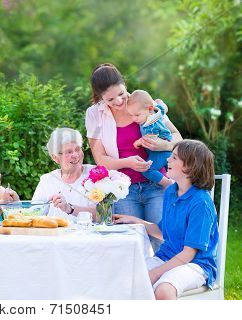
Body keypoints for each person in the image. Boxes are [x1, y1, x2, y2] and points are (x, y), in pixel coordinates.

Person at [114, 140, 219, 300]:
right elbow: (163, 232)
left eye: (175, 158)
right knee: (126, 279)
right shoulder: (171, 192)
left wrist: (156, 272)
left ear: (190, 167)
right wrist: (134, 220)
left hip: (195, 264)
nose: (168, 159)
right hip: (166, 256)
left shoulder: (201, 203)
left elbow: (189, 253)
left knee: (163, 290)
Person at [85, 63, 182, 224]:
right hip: (123, 189)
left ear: (125, 84)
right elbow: (100, 159)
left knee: (161, 237)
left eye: (121, 94)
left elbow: (177, 136)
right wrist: (127, 163)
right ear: (100, 97)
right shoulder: (94, 114)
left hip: (157, 183)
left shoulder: (142, 101)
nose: (118, 101)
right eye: (110, 99)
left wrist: (163, 145)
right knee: (130, 238)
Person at [32, 128, 96, 221]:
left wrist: (69, 209)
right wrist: (16, 202)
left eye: (78, 149)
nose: (75, 155)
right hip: (55, 234)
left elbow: (102, 214)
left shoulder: (96, 174)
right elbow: (34, 214)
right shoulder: (47, 180)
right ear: (55, 158)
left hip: (86, 234)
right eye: (69, 152)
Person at [127, 89, 174, 189]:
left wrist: (138, 142)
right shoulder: (156, 114)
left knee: (147, 170)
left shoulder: (150, 123)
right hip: (163, 150)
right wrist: (160, 103)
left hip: (161, 151)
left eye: (137, 115)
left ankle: (168, 184)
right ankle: (173, 183)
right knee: (171, 170)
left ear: (149, 109)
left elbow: (151, 138)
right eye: (131, 115)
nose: (134, 119)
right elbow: (164, 108)